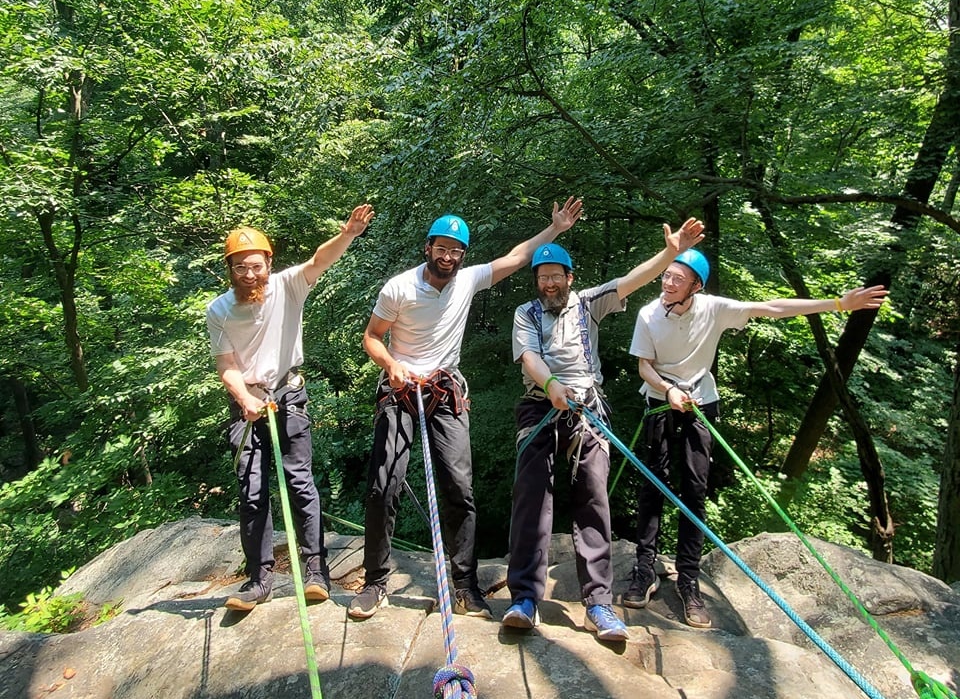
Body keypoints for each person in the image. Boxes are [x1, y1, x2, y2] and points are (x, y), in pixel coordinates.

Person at [625, 248, 889, 628]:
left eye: (677, 279)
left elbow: (771, 308)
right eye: (666, 276)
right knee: (653, 487)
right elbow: (644, 366)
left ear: (695, 287)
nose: (667, 283)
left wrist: (836, 303)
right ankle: (644, 569)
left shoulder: (714, 308)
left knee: (694, 492)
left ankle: (688, 580)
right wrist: (667, 390)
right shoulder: (648, 314)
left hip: (700, 404)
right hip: (660, 405)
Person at [348, 197, 584, 621]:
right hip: (401, 388)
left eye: (456, 250)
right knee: (384, 485)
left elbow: (516, 257)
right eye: (441, 248)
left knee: (459, 487)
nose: (448, 256)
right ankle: (375, 581)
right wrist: (391, 364)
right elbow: (372, 337)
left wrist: (556, 230)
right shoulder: (399, 288)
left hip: (444, 391)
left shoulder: (468, 280)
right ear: (428, 248)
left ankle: (464, 586)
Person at [503, 219, 705, 642]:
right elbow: (529, 359)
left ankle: (598, 603)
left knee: (593, 500)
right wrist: (552, 385)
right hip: (540, 404)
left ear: (569, 278)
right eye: (543, 278)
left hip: (587, 409)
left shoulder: (589, 302)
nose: (550, 284)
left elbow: (632, 281)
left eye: (556, 276)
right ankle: (524, 597)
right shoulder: (526, 313)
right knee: (531, 497)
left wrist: (670, 253)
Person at [207, 206, 375, 611]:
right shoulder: (219, 310)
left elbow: (320, 259)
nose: (249, 275)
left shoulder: (287, 286)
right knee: (251, 491)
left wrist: (348, 234)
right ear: (229, 269)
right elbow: (226, 364)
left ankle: (316, 571)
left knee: (299, 481)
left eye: (255, 265)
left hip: (287, 396)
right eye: (240, 267)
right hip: (247, 403)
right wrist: (245, 399)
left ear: (268, 262)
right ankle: (258, 578)